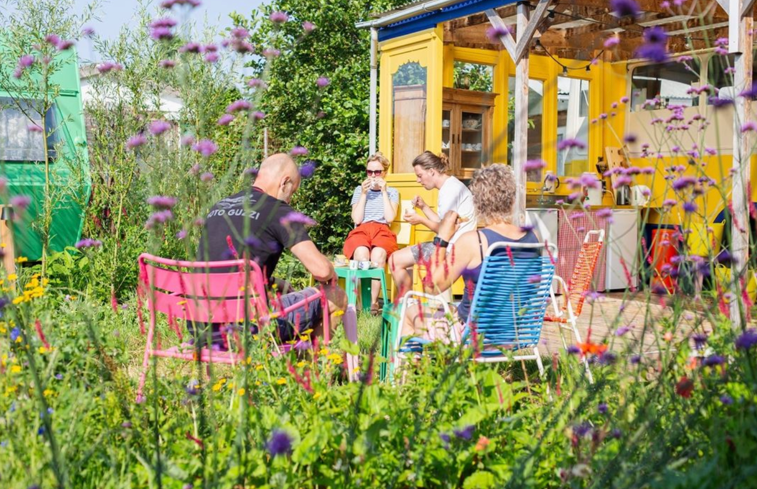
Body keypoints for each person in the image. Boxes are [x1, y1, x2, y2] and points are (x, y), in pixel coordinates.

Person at [196, 153, 348, 348]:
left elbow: (228, 270)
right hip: (247, 328)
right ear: (284, 183)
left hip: (203, 325)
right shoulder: (279, 211)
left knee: (281, 290)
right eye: (292, 192)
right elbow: (321, 271)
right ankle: (312, 369)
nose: (290, 201)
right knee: (336, 296)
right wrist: (331, 271)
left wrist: (276, 283)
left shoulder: (219, 207)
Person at [400, 164, 541, 338]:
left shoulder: (473, 241)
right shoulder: (532, 237)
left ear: (477, 202)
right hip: (516, 333)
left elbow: (432, 286)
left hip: (473, 334)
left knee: (409, 312)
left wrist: (442, 238)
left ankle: (411, 365)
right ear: (512, 199)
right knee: (447, 308)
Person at [389, 150, 477, 297]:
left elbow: (445, 230)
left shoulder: (450, 191)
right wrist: (424, 207)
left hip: (450, 248)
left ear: (431, 171)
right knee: (399, 260)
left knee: (394, 260)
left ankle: (408, 306)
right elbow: (442, 223)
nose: (418, 180)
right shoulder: (451, 186)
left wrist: (420, 220)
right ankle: (410, 304)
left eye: (419, 175)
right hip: (453, 244)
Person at [343, 152, 399, 315]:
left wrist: (383, 192)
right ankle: (361, 303)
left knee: (378, 255)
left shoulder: (391, 192)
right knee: (361, 254)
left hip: (382, 229)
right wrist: (364, 194)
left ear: (385, 173)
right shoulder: (359, 190)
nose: (373, 175)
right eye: (369, 172)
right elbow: (356, 218)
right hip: (362, 228)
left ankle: (374, 303)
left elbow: (389, 218)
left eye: (377, 172)